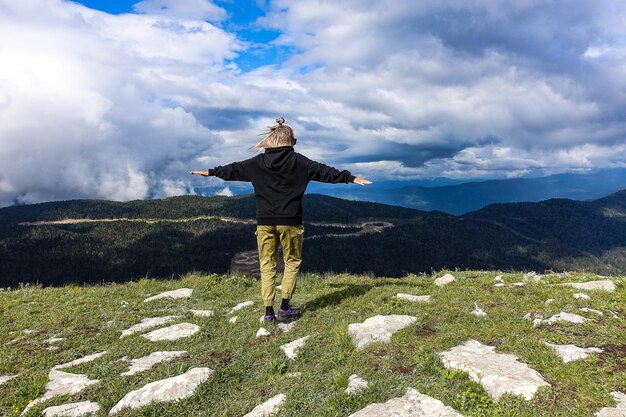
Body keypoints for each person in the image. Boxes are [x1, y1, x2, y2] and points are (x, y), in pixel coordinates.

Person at [191, 117, 372, 323]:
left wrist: (211, 172)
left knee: (266, 265)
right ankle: (285, 308)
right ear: (291, 141)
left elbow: (233, 169)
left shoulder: (256, 163)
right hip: (291, 221)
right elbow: (325, 171)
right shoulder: (300, 162)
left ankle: (268, 312)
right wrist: (351, 178)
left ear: (270, 140)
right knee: (292, 261)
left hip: (264, 221)